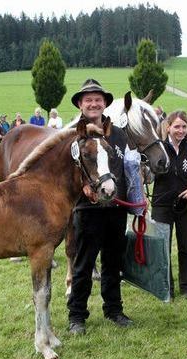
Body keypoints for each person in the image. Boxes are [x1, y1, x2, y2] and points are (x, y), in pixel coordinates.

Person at [67, 78, 132, 335]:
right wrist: (83, 188)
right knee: (83, 264)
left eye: (98, 99)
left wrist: (135, 200)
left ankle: (114, 310)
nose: (93, 103)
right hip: (87, 210)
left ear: (105, 103)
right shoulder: (72, 133)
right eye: (88, 100)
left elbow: (127, 168)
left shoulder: (118, 134)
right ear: (81, 104)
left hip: (116, 207)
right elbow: (66, 174)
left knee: (113, 262)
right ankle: (77, 316)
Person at [151, 111, 187, 299]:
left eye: (184, 126)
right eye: (177, 126)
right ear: (168, 127)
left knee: (185, 247)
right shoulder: (158, 149)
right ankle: (167, 288)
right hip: (162, 205)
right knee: (163, 249)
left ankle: (186, 287)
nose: (181, 130)